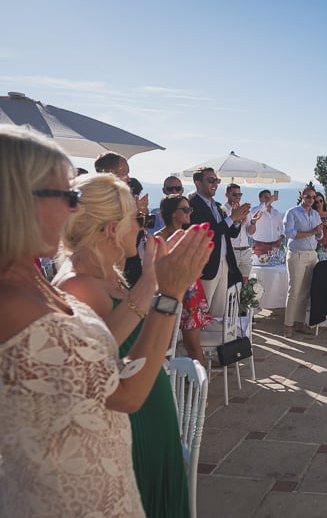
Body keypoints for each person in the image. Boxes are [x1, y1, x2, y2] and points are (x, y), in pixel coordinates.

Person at [0, 125, 212, 516]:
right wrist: (169, 293)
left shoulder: (29, 282)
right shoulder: (10, 300)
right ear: (17, 200)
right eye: (64, 195)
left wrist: (154, 284)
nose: (71, 209)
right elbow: (124, 395)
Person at [54, 174, 203, 517]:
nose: (143, 227)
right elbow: (102, 354)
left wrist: (166, 287)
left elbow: (152, 342)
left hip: (152, 406)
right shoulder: (77, 285)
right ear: (110, 228)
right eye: (138, 219)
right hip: (129, 419)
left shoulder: (111, 274)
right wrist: (156, 284)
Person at [155, 195, 213, 366]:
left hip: (191, 293)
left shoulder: (188, 235)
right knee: (162, 345)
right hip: (167, 294)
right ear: (173, 213)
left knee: (193, 345)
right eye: (185, 209)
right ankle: (165, 386)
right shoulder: (160, 238)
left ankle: (200, 390)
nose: (190, 213)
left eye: (190, 209)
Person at [189, 167, 249, 316]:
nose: (215, 183)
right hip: (207, 263)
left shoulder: (217, 206)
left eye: (217, 180)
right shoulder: (193, 205)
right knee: (203, 308)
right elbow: (208, 233)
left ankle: (215, 338)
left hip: (223, 262)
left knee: (220, 308)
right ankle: (200, 339)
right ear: (198, 183)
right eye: (211, 180)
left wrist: (237, 220)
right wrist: (231, 218)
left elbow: (230, 234)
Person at [282, 185, 323, 336]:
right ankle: (288, 325)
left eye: (314, 197)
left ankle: (300, 323)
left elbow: (319, 236)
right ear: (301, 196)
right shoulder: (292, 212)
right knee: (294, 291)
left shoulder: (315, 214)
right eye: (308, 197)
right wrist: (312, 232)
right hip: (297, 255)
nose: (311, 200)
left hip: (312, 255)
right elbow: (289, 233)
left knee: (305, 292)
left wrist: (318, 233)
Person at [225, 183, 256, 284]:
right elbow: (226, 231)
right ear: (227, 195)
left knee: (245, 282)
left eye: (240, 194)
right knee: (230, 282)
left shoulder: (245, 210)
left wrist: (253, 223)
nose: (238, 197)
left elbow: (250, 233)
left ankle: (244, 300)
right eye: (234, 194)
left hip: (245, 250)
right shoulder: (223, 210)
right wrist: (239, 222)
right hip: (231, 251)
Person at [251, 189, 284, 256]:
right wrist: (269, 202)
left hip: (275, 245)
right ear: (260, 198)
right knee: (259, 265)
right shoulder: (255, 210)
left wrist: (281, 238)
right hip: (260, 246)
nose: (268, 199)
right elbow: (256, 214)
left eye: (269, 197)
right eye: (266, 197)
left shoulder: (276, 212)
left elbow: (282, 227)